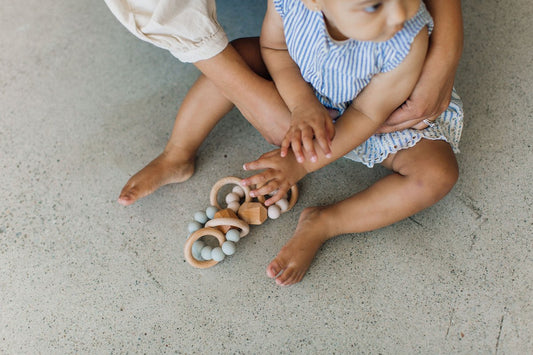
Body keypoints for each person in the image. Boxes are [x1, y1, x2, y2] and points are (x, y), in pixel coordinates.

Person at [104, 0, 463, 205]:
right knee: (237, 58)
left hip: (377, 122)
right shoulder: (291, 3)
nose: (400, 14)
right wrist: (301, 103)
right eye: (373, 5)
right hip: (304, 86)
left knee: (437, 174)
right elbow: (275, 48)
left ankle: (328, 222)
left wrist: (301, 166)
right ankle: (177, 155)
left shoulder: (406, 39)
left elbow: (369, 112)